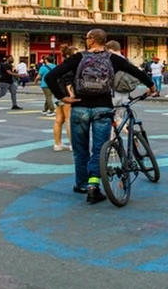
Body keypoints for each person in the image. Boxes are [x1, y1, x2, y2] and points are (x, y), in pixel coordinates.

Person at [46, 29, 156, 203]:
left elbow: (51, 76)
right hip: (103, 108)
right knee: (99, 149)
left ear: (91, 40)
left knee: (81, 149)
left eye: (86, 38)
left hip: (80, 107)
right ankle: (93, 186)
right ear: (104, 42)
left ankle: (81, 183)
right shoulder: (113, 59)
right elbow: (137, 72)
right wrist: (151, 87)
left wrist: (63, 97)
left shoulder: (78, 58)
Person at [50, 46, 78, 152]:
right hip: (67, 95)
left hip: (58, 95)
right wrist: (71, 95)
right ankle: (72, 144)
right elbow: (68, 82)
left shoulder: (61, 65)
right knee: (69, 120)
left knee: (59, 120)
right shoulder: (70, 67)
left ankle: (57, 143)